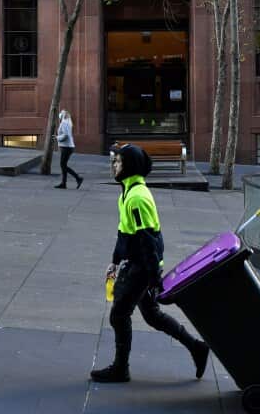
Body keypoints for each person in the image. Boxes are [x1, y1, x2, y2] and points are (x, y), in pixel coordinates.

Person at [91, 144, 209, 384]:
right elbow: (125, 232)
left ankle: (120, 369)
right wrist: (115, 262)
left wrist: (154, 279)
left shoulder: (136, 198)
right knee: (152, 316)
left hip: (143, 267)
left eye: (119, 162)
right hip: (140, 264)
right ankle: (197, 347)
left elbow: (147, 241)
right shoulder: (127, 191)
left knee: (119, 315)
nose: (114, 165)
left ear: (130, 166)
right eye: (115, 161)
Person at [54, 110, 83, 189]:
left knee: (63, 165)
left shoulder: (64, 123)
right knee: (63, 165)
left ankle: (78, 178)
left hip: (66, 147)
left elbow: (66, 135)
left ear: (63, 115)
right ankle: (64, 183)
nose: (59, 115)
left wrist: (57, 138)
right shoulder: (68, 122)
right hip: (68, 147)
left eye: (61, 114)